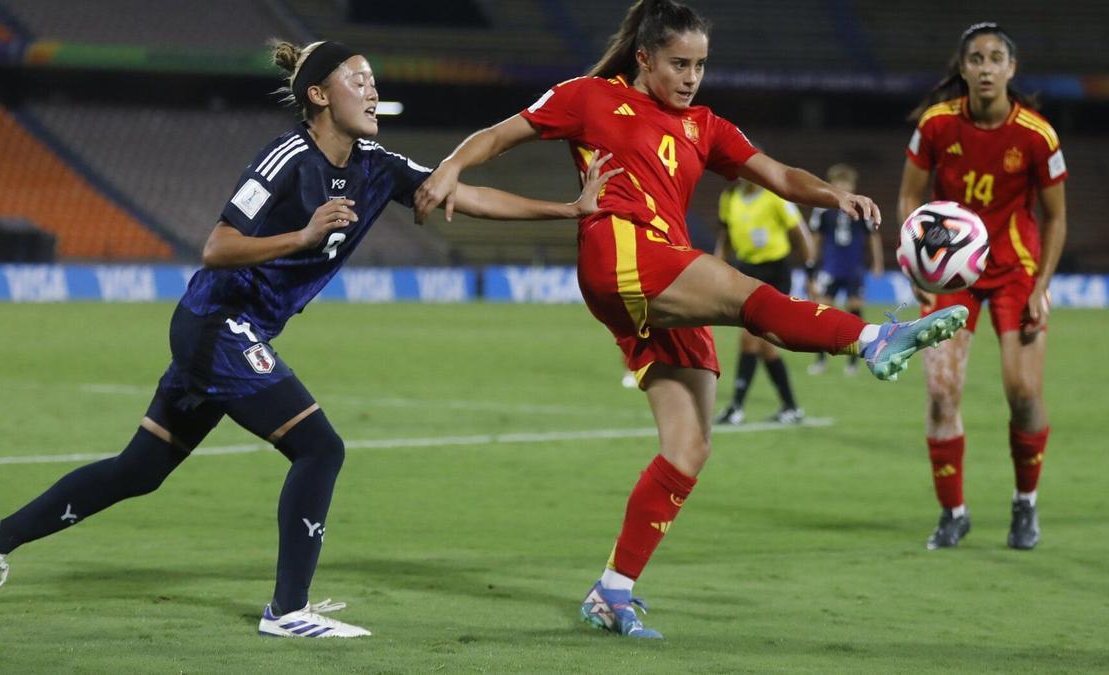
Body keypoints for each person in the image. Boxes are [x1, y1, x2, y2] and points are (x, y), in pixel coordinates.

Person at [0, 39, 616, 637]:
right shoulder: (286, 158)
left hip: (232, 333)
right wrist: (301, 236)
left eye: (373, 79)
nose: (371, 89)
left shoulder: (376, 165)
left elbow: (459, 195)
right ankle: (287, 609)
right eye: (358, 79)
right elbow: (217, 247)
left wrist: (567, 210)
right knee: (320, 446)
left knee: (140, 470)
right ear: (319, 95)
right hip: (216, 324)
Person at [414, 0, 968, 639]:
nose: (691, 77)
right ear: (645, 57)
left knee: (689, 447)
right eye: (679, 63)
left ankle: (612, 592)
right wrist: (451, 165)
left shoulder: (705, 125)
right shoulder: (589, 97)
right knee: (743, 295)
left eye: (701, 65)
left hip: (661, 272)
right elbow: (498, 135)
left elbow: (779, 174)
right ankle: (873, 337)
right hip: (620, 247)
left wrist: (832, 194)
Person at [897, 22, 1067, 551]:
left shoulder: (1037, 135)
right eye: (977, 58)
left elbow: (1057, 219)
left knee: (1023, 394)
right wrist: (918, 272)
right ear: (964, 68)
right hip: (953, 273)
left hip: (1016, 267)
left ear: (1011, 69)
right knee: (942, 391)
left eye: (996, 58)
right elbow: (908, 198)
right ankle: (953, 512)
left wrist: (1042, 286)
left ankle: (1025, 504)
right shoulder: (935, 126)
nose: (986, 67)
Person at [713, 176, 815, 425]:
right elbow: (725, 235)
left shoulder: (775, 198)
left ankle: (736, 407)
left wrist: (811, 271)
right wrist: (717, 264)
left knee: (749, 340)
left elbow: (801, 233)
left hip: (775, 273)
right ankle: (791, 407)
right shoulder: (729, 198)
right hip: (747, 271)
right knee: (766, 346)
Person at [807, 163, 884, 376]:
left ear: (853, 184)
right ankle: (821, 359)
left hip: (854, 269)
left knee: (854, 313)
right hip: (830, 268)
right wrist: (811, 266)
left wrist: (877, 263)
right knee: (823, 314)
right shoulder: (822, 208)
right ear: (831, 185)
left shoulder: (861, 208)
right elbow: (815, 239)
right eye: (838, 182)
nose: (842, 186)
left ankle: (853, 362)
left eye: (846, 182)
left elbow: (872, 237)